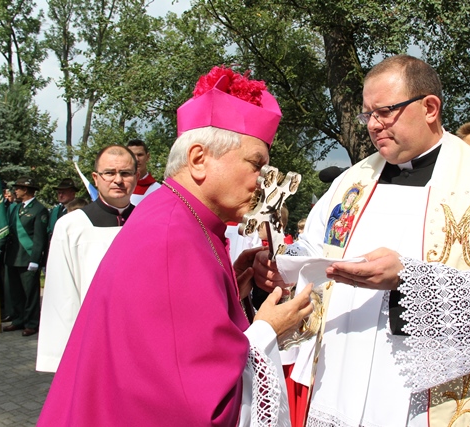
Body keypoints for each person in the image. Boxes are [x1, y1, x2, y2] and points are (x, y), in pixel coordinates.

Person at [253, 54, 470, 426]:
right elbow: (316, 248)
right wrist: (282, 265)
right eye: (367, 115)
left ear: (430, 108)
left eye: (385, 112)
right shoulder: (351, 182)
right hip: (340, 376)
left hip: (422, 396)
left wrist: (409, 281)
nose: (372, 125)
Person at [37, 66, 313, 426]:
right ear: (199, 159)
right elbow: (199, 403)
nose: (262, 181)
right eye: (255, 164)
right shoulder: (173, 235)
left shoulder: (175, 213)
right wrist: (268, 330)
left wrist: (229, 289)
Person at [36, 146, 137, 372]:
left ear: (136, 176)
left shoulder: (149, 221)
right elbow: (61, 297)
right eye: (109, 173)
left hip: (139, 343)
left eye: (125, 173)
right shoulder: (71, 226)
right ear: (96, 178)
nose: (118, 180)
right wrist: (62, 360)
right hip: (92, 343)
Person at [2, 177, 49, 336]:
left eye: (18, 188)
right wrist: (0, 248)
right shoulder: (16, 208)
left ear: (26, 190)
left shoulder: (39, 209)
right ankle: (18, 320)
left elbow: (39, 238)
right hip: (13, 256)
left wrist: (35, 260)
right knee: (15, 292)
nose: (15, 191)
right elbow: (9, 231)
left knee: (30, 294)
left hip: (27, 258)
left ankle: (31, 323)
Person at [126, 139, 161, 205]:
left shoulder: (158, 189)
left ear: (147, 157)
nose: (136, 159)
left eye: (140, 155)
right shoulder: (118, 186)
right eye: (132, 155)